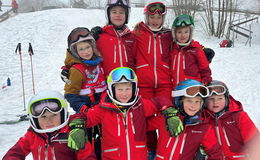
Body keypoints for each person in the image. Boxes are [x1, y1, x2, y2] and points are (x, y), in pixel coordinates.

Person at [66, 67, 184, 160]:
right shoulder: (103, 109)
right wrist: (77, 125)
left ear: (134, 88)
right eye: (120, 89)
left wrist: (169, 111)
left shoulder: (140, 105)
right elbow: (82, 116)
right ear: (112, 89)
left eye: (128, 89)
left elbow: (159, 101)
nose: (124, 93)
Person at [3, 90, 96, 160]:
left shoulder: (73, 133)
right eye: (43, 117)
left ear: (62, 114)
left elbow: (87, 157)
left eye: (54, 115)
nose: (49, 120)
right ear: (35, 119)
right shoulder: (32, 135)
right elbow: (15, 153)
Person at [133, 2, 172, 159]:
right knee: (145, 119)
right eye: (152, 16)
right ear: (146, 16)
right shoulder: (138, 33)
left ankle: (164, 150)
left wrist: (202, 49)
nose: (155, 20)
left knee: (167, 116)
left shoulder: (169, 35)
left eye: (158, 17)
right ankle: (150, 150)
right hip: (144, 85)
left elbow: (186, 41)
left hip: (164, 84)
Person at [148, 79, 224, 160]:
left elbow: (216, 153)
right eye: (189, 101)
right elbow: (141, 125)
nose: (193, 106)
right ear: (179, 101)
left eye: (197, 101)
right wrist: (166, 109)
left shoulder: (203, 128)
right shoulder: (165, 118)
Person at [64, 27, 106, 160]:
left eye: (87, 47)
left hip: (102, 108)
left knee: (105, 138)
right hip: (86, 110)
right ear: (75, 52)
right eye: (81, 49)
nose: (85, 51)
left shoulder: (99, 63)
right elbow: (70, 94)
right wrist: (82, 108)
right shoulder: (77, 70)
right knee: (88, 141)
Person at [205, 80, 260, 159]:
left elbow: (255, 142)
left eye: (220, 98)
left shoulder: (239, 117)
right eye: (211, 99)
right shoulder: (204, 119)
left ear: (227, 99)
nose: (215, 102)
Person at [90, 0, 135, 78]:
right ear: (108, 14)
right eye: (114, 12)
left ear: (126, 15)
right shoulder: (100, 37)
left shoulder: (132, 37)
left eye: (121, 12)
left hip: (128, 84)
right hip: (107, 83)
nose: (118, 15)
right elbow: (82, 53)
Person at [170, 14, 212, 89]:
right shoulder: (171, 48)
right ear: (174, 34)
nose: (183, 35)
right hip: (175, 88)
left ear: (190, 33)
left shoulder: (196, 49)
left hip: (192, 89)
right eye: (179, 32)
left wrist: (206, 82)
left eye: (186, 32)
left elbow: (205, 69)